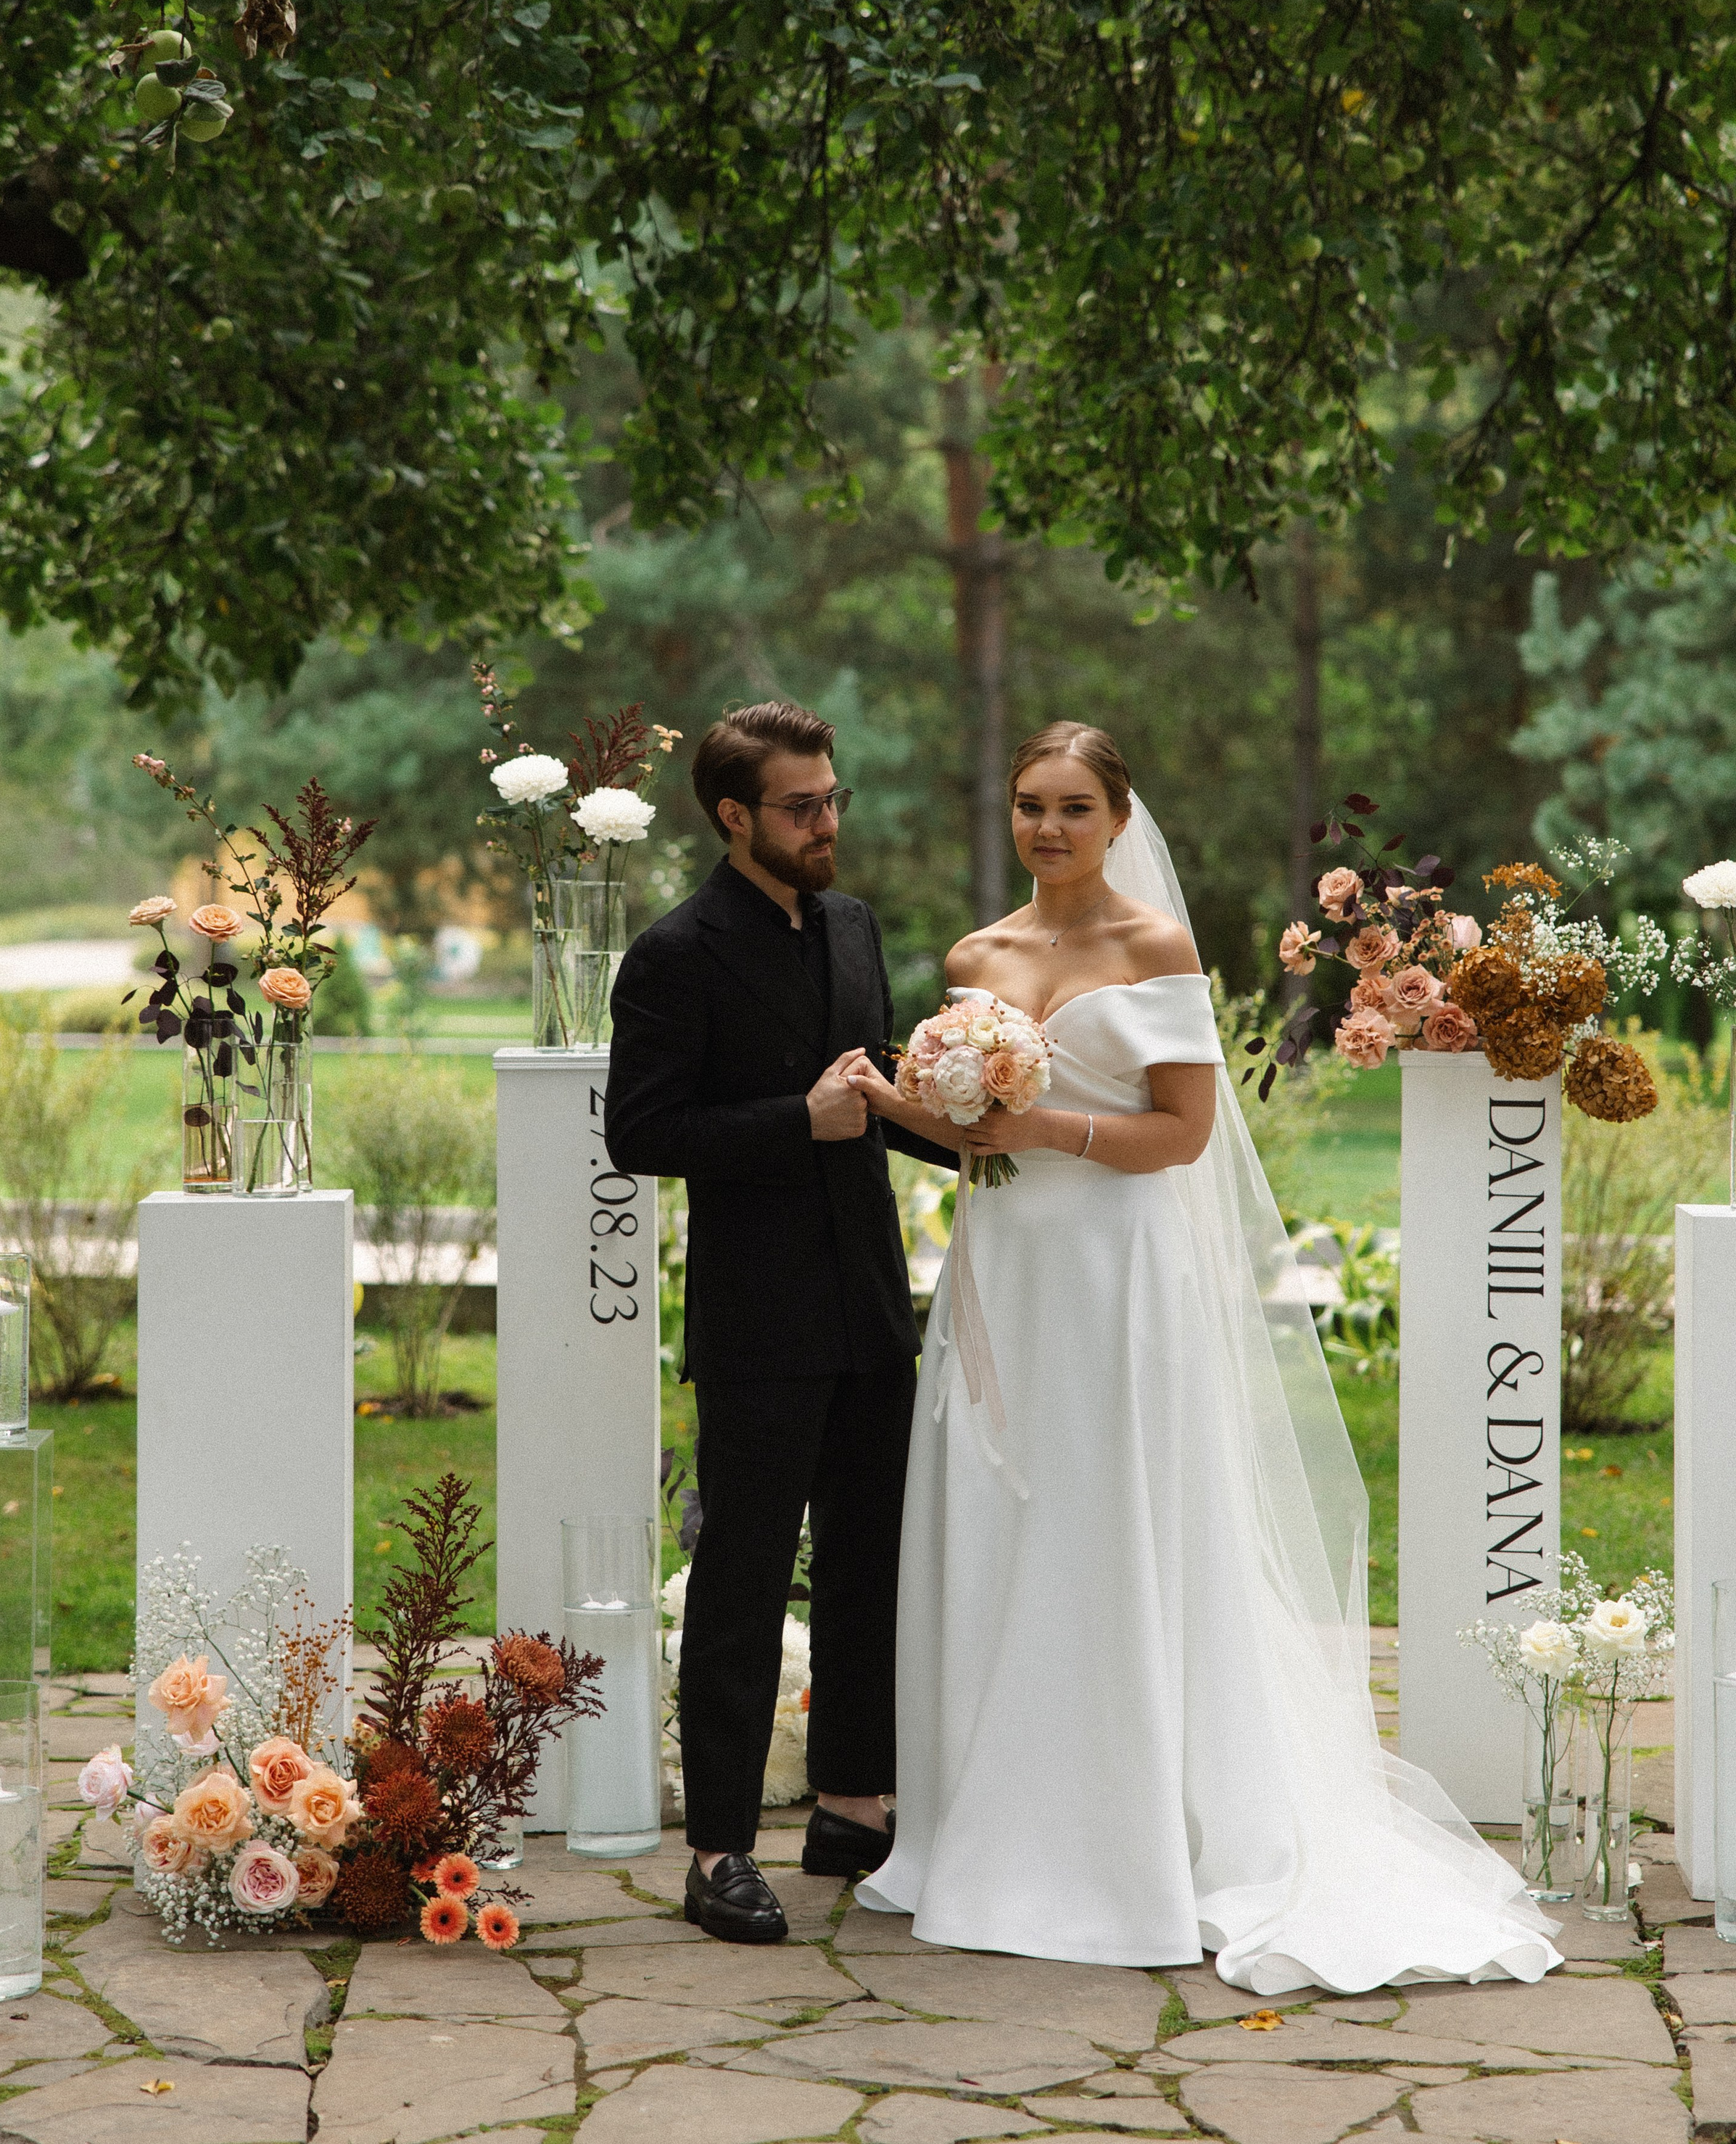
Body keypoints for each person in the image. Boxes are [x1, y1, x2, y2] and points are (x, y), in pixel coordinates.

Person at [845, 720, 1562, 1991]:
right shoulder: (977, 954)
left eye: (1073, 805)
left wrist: (1044, 1123)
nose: (1049, 827)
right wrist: (910, 1103)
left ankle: (1136, 1840)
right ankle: (987, 1822)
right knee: (1000, 1519)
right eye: (1029, 805)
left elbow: (1179, 1135)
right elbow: (974, 1138)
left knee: (1113, 1518)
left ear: (1119, 818)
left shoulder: (1156, 947)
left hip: (1122, 1273)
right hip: (1006, 1272)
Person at [605, 701, 956, 1945]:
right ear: (734, 816)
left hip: (872, 1301)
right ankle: (715, 1854)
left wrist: (989, 1139)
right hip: (759, 1319)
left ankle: (855, 1805)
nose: (828, 823)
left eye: (834, 799)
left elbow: (869, 1084)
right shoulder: (674, 953)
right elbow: (641, 1133)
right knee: (742, 1582)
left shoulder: (854, 926)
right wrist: (791, 1121)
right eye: (803, 806)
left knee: (873, 1560)